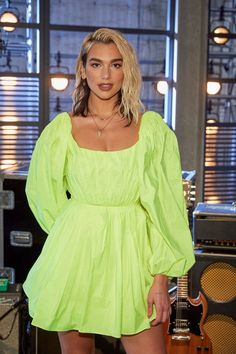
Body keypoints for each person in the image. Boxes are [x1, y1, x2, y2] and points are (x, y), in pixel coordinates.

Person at [23, 28, 195, 354]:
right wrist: (77, 231)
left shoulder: (151, 131)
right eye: (97, 64)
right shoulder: (62, 131)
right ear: (83, 70)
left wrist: (161, 280)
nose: (106, 75)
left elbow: (166, 208)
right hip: (76, 259)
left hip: (133, 261)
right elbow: (42, 194)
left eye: (116, 65)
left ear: (126, 70)